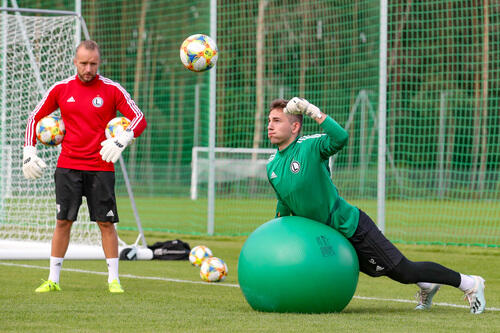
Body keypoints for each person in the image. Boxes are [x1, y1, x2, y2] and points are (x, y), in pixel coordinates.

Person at [265, 97, 486, 314]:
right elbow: (284, 202)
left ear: (295, 126)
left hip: (351, 226)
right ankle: (427, 285)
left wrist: (311, 110)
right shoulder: (272, 165)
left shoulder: (309, 146)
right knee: (386, 271)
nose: (270, 126)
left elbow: (340, 137)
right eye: (269, 120)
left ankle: (470, 283)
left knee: (404, 270)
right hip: (328, 237)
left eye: (277, 120)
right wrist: (278, 235)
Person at [23, 40, 147, 293]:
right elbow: (34, 117)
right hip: (67, 166)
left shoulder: (112, 90)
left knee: (106, 224)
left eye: (93, 63)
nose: (88, 69)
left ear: (98, 62)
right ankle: (53, 280)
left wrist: (124, 138)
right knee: (62, 222)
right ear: (75, 62)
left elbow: (139, 118)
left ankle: (114, 280)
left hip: (101, 167)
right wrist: (29, 151)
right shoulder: (61, 89)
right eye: (84, 63)